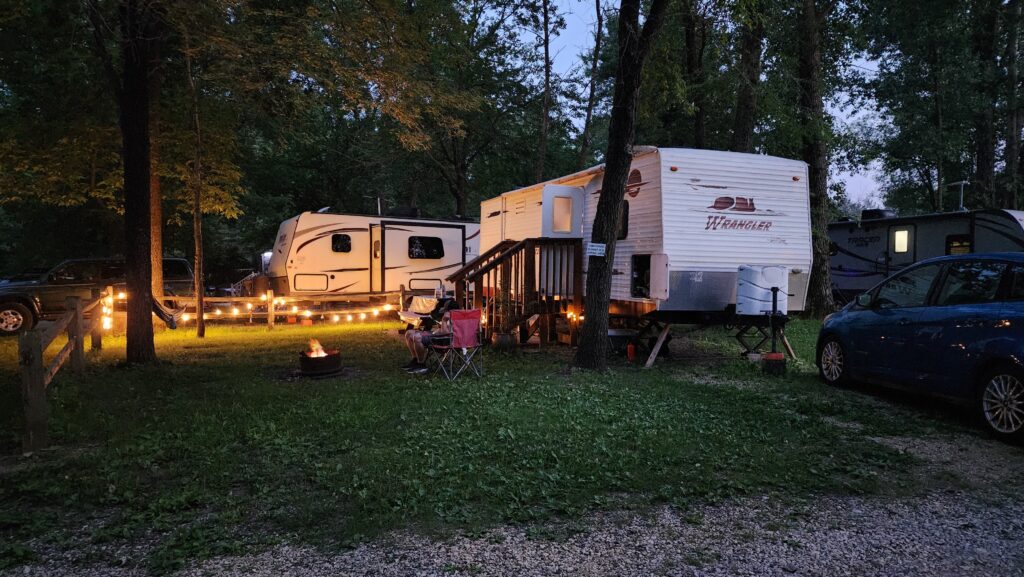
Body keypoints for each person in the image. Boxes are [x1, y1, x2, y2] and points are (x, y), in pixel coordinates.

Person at [402, 298, 456, 374]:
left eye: (445, 308)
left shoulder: (449, 317)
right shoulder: (461, 317)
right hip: (440, 335)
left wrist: (443, 321)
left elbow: (445, 334)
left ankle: (421, 364)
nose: (443, 309)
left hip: (444, 340)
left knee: (417, 337)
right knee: (409, 333)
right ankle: (415, 360)